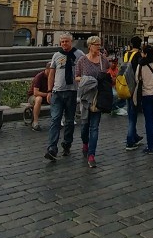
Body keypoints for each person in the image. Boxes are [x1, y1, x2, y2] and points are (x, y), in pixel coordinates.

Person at [44, 32, 85, 162]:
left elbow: (85, 68)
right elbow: (51, 74)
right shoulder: (56, 55)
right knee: (55, 119)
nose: (64, 44)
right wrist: (49, 90)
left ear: (71, 41)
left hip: (71, 92)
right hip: (57, 92)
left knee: (69, 120)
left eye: (66, 41)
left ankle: (67, 143)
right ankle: (52, 148)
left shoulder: (79, 54)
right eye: (62, 42)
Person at [77, 36, 110, 168]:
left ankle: (92, 155)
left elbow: (108, 74)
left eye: (99, 44)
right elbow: (76, 77)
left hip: (98, 97)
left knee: (94, 128)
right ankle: (85, 143)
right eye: (96, 45)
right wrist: (88, 80)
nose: (99, 47)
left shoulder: (103, 60)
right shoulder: (82, 60)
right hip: (86, 97)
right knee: (84, 126)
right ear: (90, 45)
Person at [135, 44, 153, 153]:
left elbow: (137, 79)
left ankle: (150, 146)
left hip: (146, 94)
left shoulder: (141, 65)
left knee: (148, 120)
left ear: (145, 53)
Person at [122, 37, 144, 151]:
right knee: (133, 115)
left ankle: (134, 136)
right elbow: (140, 71)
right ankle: (130, 141)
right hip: (134, 86)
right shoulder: (138, 55)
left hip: (125, 85)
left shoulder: (126, 54)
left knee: (130, 111)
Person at [28, 64, 50, 132]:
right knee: (38, 98)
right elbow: (36, 93)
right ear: (47, 69)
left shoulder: (53, 77)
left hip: (46, 96)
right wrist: (48, 94)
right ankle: (35, 122)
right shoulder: (39, 76)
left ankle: (59, 120)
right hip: (33, 96)